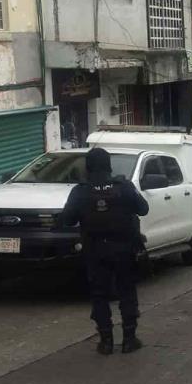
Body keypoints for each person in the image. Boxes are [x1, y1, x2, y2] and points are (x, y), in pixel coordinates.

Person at [62, 148, 149, 355]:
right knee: (127, 292)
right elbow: (143, 209)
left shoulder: (80, 191)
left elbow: (67, 219)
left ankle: (106, 341)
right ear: (109, 165)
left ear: (88, 166)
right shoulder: (124, 186)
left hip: (95, 250)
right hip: (124, 249)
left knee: (99, 295)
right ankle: (129, 340)